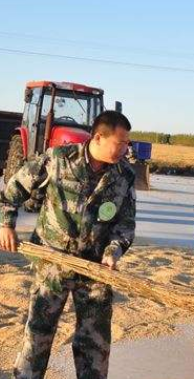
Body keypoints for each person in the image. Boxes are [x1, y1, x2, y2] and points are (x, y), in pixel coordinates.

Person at [0, 111, 136, 379]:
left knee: (95, 343)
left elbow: (125, 224)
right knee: (37, 336)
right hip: (51, 263)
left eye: (127, 143)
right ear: (99, 137)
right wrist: (6, 224)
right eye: (120, 143)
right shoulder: (58, 160)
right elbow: (12, 192)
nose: (125, 149)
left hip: (95, 271)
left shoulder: (124, 175)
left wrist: (113, 252)